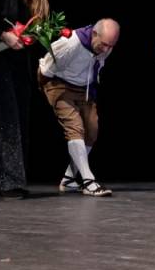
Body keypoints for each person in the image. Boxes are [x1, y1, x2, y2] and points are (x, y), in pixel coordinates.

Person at [0, 0, 52, 199]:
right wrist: (4, 34)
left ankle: (16, 180)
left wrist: (31, 39)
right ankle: (6, 183)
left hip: (21, 67)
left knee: (20, 121)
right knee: (8, 121)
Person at [39, 18, 120, 197]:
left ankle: (69, 178)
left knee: (92, 130)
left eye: (111, 45)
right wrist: (50, 91)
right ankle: (89, 181)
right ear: (94, 34)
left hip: (84, 88)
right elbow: (46, 70)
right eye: (104, 44)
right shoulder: (71, 44)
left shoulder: (106, 46)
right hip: (59, 84)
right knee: (75, 127)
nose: (106, 49)